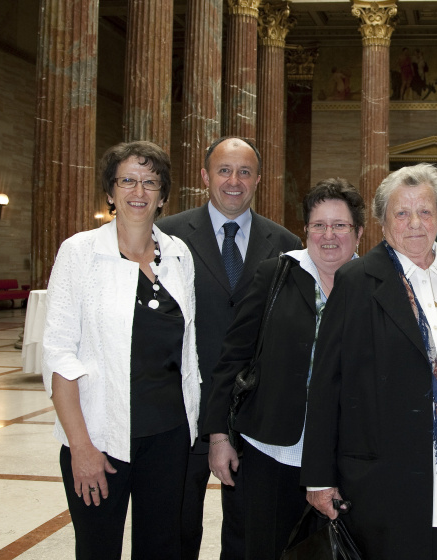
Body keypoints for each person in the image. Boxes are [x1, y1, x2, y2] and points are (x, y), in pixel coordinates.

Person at [301, 164, 437, 560]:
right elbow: (327, 383)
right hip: (384, 473)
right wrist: (319, 477)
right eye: (402, 213)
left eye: (425, 212)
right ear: (381, 221)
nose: (415, 224)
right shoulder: (357, 281)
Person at [42, 141, 199, 559]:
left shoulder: (179, 255)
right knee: (98, 549)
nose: (139, 191)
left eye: (151, 182)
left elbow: (188, 350)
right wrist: (81, 447)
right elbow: (58, 354)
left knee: (161, 547)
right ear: (110, 192)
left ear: (164, 195)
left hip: (168, 436)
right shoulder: (80, 253)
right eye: (127, 180)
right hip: (99, 437)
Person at [156, 136, 302, 560]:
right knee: (176, 525)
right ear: (205, 176)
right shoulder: (167, 235)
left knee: (247, 531)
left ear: (258, 178)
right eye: (224, 170)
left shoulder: (287, 243)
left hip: (253, 414)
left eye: (244, 171)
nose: (234, 181)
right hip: (182, 410)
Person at [204, 178, 365, 560]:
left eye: (340, 226)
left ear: (358, 233)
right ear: (305, 230)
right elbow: (233, 357)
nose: (329, 235)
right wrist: (218, 437)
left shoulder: (374, 286)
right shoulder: (275, 274)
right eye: (318, 225)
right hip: (272, 450)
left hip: (347, 456)